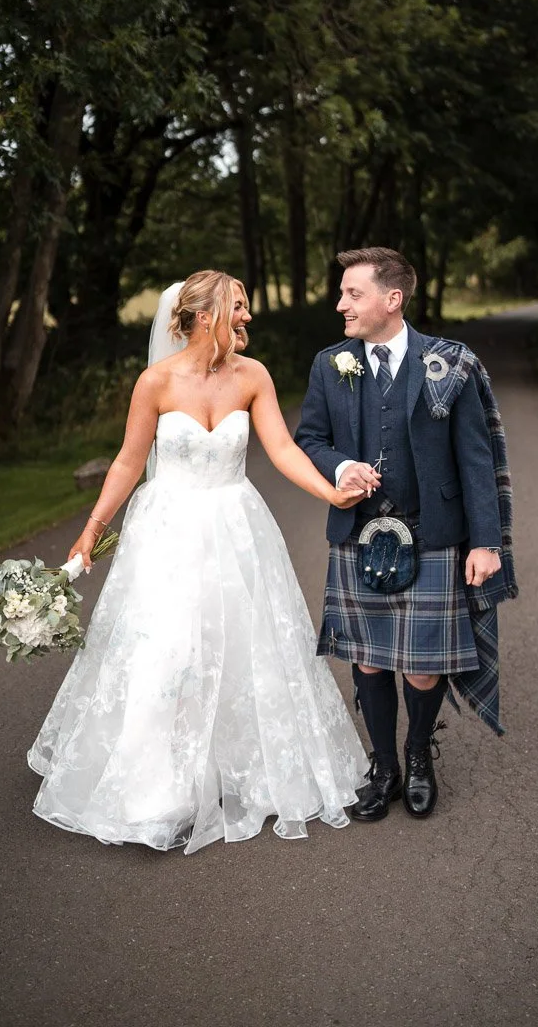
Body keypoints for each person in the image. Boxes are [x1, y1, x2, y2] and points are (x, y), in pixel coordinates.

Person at [29, 270, 369, 854]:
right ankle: (155, 787)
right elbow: (127, 463)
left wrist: (330, 491)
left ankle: (245, 773)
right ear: (205, 315)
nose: (248, 317)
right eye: (239, 307)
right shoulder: (155, 382)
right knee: (168, 650)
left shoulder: (253, 376)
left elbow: (282, 447)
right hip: (167, 532)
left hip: (237, 528)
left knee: (245, 646)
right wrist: (90, 532)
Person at [295, 247, 517, 822]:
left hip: (434, 534)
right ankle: (383, 765)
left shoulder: (450, 364)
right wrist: (341, 467)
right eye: (342, 293)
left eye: (353, 293)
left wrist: (487, 543)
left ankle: (418, 755)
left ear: (392, 300)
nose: (340, 303)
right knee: (367, 659)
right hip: (359, 533)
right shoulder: (330, 363)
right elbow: (310, 439)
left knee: (422, 663)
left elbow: (475, 458)